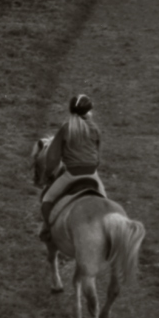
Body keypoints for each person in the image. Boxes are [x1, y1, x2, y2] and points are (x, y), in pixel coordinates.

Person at [40, 94, 104, 245]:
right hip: (92, 175)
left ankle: (49, 231)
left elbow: (53, 157)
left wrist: (48, 174)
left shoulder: (66, 128)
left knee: (47, 200)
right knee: (106, 204)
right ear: (89, 112)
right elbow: (98, 157)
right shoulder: (95, 129)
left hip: (71, 175)